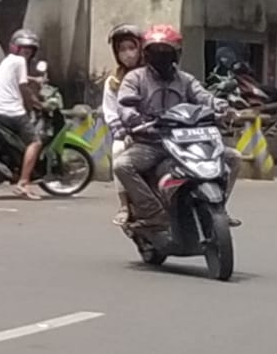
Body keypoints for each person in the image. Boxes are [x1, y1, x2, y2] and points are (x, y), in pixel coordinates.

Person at [114, 24, 242, 239]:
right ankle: (153, 213)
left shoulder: (186, 80)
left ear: (177, 54)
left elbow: (204, 97)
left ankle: (218, 208)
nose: (161, 57)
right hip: (151, 142)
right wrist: (134, 118)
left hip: (187, 140)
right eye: (156, 52)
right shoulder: (135, 78)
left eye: (166, 52)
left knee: (233, 158)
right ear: (146, 54)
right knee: (122, 165)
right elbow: (125, 105)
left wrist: (223, 109)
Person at [0, 27, 46, 199]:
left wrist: (35, 79)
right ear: (17, 49)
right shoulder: (21, 62)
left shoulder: (8, 61)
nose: (27, 53)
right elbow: (23, 87)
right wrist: (36, 103)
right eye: (24, 49)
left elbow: (19, 78)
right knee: (35, 142)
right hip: (11, 111)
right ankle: (23, 182)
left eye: (29, 50)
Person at [101, 24, 143, 224]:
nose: (127, 54)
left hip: (156, 131)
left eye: (131, 48)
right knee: (118, 153)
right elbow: (110, 111)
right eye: (122, 49)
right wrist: (122, 131)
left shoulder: (152, 74)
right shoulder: (113, 81)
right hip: (128, 132)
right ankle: (124, 204)